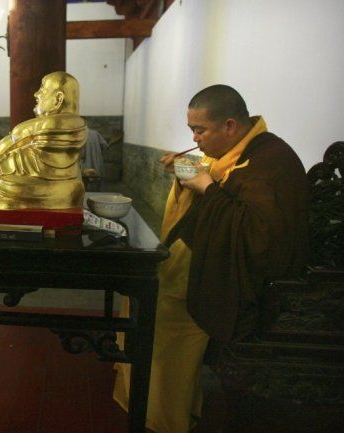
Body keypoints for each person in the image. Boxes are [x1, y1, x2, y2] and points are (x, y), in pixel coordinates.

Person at [113, 85, 310, 433]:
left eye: (199, 130)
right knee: (142, 293)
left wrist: (205, 186)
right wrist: (188, 169)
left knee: (162, 313)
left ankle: (164, 417)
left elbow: (256, 235)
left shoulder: (271, 160)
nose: (195, 138)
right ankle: (145, 398)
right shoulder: (240, 149)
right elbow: (219, 178)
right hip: (210, 257)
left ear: (230, 126)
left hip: (250, 280)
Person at [0, 71, 87, 210]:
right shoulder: (54, 124)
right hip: (57, 185)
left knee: (1, 181)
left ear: (58, 99)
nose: (36, 94)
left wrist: (2, 162)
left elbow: (40, 161)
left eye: (42, 90)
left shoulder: (63, 124)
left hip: (51, 187)